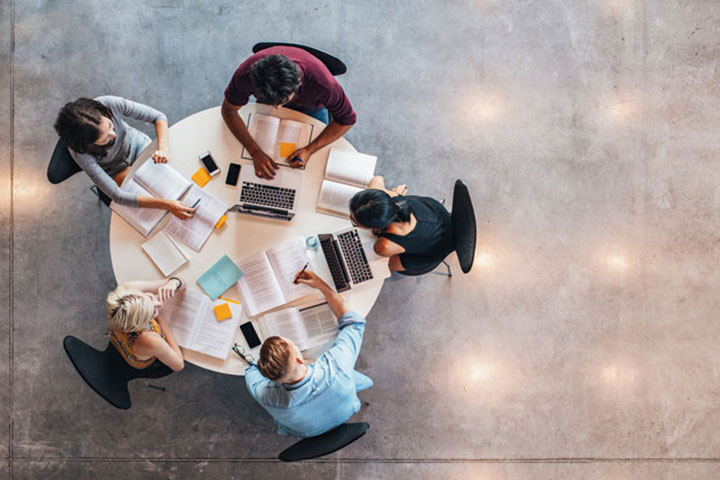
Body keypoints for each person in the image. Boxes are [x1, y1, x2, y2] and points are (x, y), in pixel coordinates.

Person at [243, 270, 373, 438]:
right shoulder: (336, 366)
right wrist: (321, 285)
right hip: (347, 410)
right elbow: (354, 323)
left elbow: (250, 372)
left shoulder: (267, 397)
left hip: (306, 432)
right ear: (299, 358)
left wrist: (261, 364)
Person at [221, 45, 357, 179]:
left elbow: (347, 121)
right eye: (273, 103)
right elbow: (228, 111)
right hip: (265, 105)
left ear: (298, 83)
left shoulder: (324, 85)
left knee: (313, 168)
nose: (277, 109)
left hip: (311, 109)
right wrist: (255, 152)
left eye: (282, 102)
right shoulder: (245, 75)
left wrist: (309, 150)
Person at [53, 96, 195, 219]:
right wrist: (166, 205)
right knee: (151, 198)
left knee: (176, 173)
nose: (113, 135)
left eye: (110, 125)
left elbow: (159, 117)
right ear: (88, 145)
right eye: (104, 139)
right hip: (115, 170)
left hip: (137, 146)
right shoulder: (81, 153)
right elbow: (117, 196)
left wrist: (162, 149)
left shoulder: (108, 104)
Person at [349, 176, 455, 273]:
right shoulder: (393, 197)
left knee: (382, 266)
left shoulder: (383, 246)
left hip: (435, 250)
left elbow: (384, 256)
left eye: (354, 222)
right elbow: (377, 179)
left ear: (373, 226)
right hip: (438, 214)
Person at [106, 278, 185, 372]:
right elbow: (179, 365)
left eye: (150, 297)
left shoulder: (125, 290)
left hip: (117, 336)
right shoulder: (151, 340)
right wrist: (161, 319)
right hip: (140, 358)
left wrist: (174, 283)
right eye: (153, 312)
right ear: (142, 325)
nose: (159, 303)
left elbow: (179, 282)